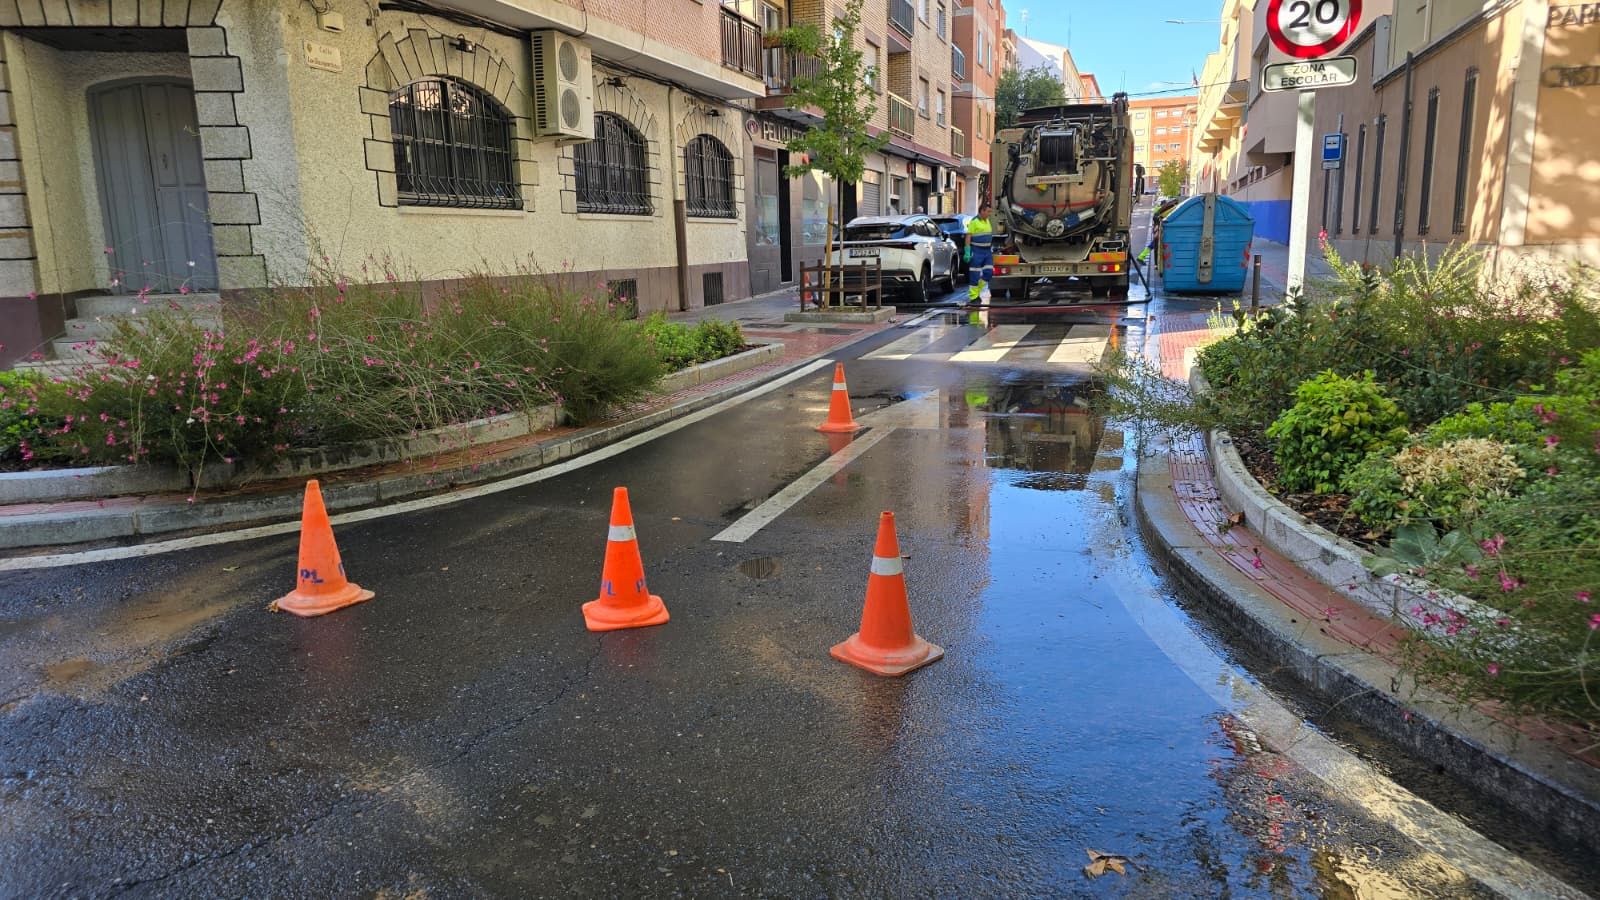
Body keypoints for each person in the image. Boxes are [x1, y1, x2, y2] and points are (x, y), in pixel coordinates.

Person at [966, 201, 995, 305]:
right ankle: (974, 297)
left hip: (987, 251)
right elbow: (968, 236)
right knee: (975, 274)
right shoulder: (974, 221)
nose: (989, 214)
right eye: (988, 211)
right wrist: (967, 251)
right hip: (976, 251)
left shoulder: (987, 220)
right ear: (982, 211)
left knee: (989, 273)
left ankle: (977, 290)